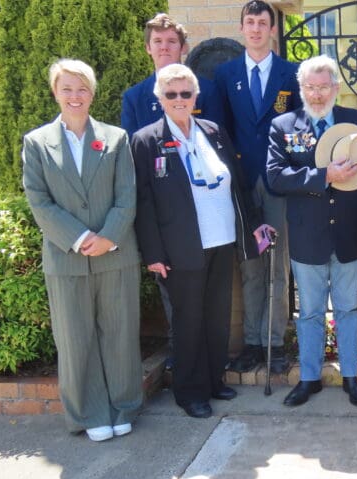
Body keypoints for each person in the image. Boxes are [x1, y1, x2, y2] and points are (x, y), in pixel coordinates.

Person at [131, 64, 268, 419]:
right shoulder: (146, 140)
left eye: (186, 93)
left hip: (221, 239)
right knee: (188, 321)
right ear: (159, 98)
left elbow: (236, 183)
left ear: (196, 97)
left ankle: (213, 380)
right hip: (180, 248)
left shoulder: (213, 131)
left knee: (217, 316)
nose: (179, 100)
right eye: (171, 94)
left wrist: (251, 225)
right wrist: (153, 253)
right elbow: (143, 202)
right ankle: (189, 391)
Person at [22, 59, 142, 441]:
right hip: (66, 258)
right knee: (75, 339)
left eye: (82, 89)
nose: (75, 96)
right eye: (67, 89)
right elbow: (39, 200)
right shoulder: (37, 143)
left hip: (115, 253)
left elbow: (127, 195)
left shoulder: (116, 138)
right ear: (55, 92)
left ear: (92, 93)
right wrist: (78, 237)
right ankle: (89, 415)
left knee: (120, 332)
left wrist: (108, 236)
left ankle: (123, 406)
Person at [267, 55, 357, 407]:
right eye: (310, 88)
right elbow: (274, 177)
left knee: (348, 309)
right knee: (311, 312)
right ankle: (309, 378)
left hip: (349, 234)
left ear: (336, 87)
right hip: (307, 237)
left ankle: (351, 377)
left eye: (323, 87)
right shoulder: (283, 125)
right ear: (301, 89)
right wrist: (324, 176)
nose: (316, 95)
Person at [121, 13, 224, 367]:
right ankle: (182, 364)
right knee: (180, 307)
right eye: (158, 42)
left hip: (210, 223)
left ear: (183, 48)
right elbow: (138, 167)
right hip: (169, 221)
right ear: (148, 48)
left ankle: (205, 371)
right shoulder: (135, 98)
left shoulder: (207, 91)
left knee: (207, 307)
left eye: (171, 42)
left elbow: (216, 147)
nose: (165, 48)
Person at [216, 1, 302, 374]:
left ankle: (274, 342)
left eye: (262, 23)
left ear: (272, 29)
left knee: (277, 266)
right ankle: (252, 341)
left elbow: (301, 129)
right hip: (242, 180)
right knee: (250, 264)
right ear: (242, 28)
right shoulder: (225, 74)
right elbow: (219, 131)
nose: (255, 29)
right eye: (249, 22)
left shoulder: (290, 73)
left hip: (278, 182)